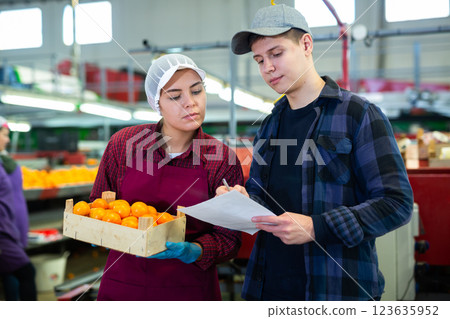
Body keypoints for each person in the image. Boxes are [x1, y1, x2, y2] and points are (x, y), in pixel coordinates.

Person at [216, 4, 414, 301]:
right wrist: (244, 202)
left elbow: (396, 203)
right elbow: (265, 200)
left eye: (276, 54)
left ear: (306, 44)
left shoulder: (358, 115)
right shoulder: (268, 127)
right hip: (267, 290)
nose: (267, 67)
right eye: (259, 60)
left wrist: (317, 227)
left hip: (334, 290)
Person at [90, 54, 244, 301]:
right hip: (123, 285)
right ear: (156, 102)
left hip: (190, 289)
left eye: (196, 91)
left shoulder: (222, 159)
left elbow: (229, 238)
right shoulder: (124, 145)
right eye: (175, 96)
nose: (190, 103)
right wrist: (95, 230)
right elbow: (98, 204)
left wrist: (194, 250)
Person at [0, 116, 37, 301]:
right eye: (4, 134)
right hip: (3, 234)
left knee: (13, 277)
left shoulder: (3, 162)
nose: (7, 139)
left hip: (9, 231)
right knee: (26, 273)